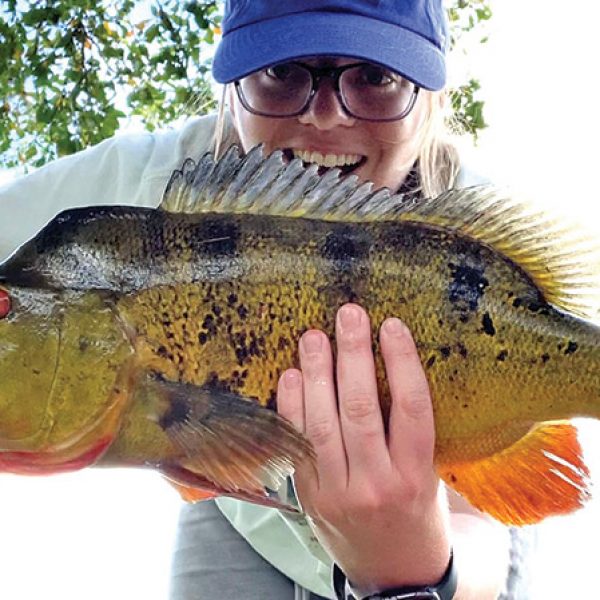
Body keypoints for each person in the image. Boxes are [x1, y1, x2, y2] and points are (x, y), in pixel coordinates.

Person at [0, 1, 538, 598]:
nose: (326, 116)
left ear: (431, 96)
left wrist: (415, 576)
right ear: (233, 86)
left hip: (432, 537)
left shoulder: (474, 244)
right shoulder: (153, 183)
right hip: (251, 518)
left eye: (376, 79)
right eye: (282, 75)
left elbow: (484, 530)